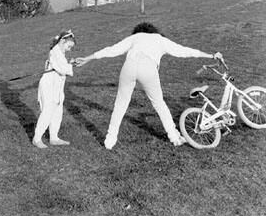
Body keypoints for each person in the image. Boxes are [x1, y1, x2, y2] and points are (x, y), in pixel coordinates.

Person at [75, 22, 222, 150]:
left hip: (129, 66)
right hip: (148, 67)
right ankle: (175, 138)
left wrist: (88, 58)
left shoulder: (135, 37)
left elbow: (112, 49)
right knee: (159, 103)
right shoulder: (160, 39)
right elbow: (185, 51)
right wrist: (210, 55)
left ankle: (110, 140)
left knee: (120, 104)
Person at [32, 29, 77, 149]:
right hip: (48, 84)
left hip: (56, 85)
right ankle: (37, 138)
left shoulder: (60, 53)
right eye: (69, 46)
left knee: (57, 110)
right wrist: (71, 65)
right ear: (62, 41)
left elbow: (63, 68)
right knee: (48, 110)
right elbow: (63, 69)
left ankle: (54, 137)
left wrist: (70, 63)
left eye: (71, 48)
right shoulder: (55, 51)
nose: (69, 49)